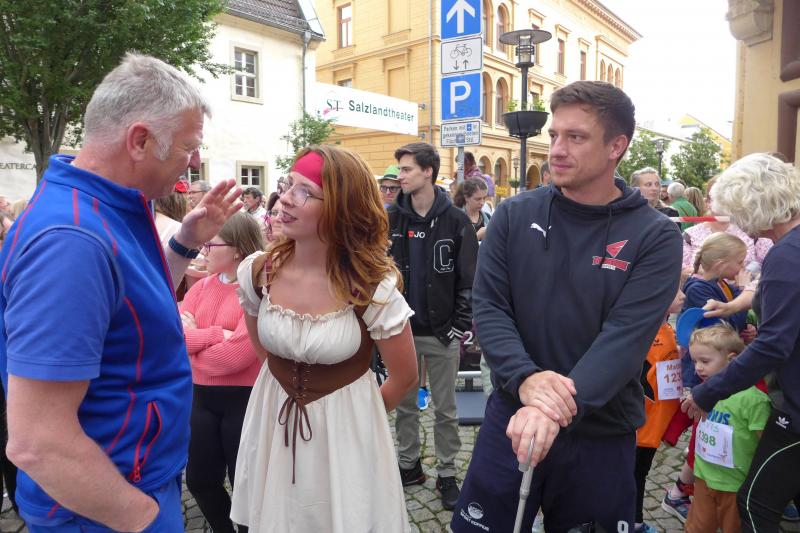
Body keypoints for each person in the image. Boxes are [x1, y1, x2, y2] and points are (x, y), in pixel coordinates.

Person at [0, 53, 242, 532]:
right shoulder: (73, 240)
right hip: (104, 507)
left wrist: (184, 243)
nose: (194, 161)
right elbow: (38, 441)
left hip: (128, 482)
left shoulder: (103, 207)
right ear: (140, 140)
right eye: (189, 147)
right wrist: (140, 517)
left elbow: (129, 307)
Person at [452, 80, 683, 533]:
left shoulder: (655, 235)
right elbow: (490, 306)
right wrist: (525, 380)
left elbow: (624, 338)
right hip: (514, 415)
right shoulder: (515, 215)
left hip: (600, 431)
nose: (556, 149)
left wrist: (547, 408)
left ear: (616, 146)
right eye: (555, 135)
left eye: (576, 137)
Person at [231, 146, 418, 532]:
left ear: (340, 207)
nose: (285, 198)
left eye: (304, 191)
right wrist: (283, 390)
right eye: (288, 184)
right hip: (274, 422)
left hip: (345, 437)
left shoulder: (372, 288)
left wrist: (355, 417)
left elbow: (405, 378)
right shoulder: (259, 272)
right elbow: (263, 350)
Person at [682, 153, 800, 531]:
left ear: (754, 204)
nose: (738, 223)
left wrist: (708, 392)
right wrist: (732, 305)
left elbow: (772, 345)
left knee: (754, 503)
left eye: (738, 212)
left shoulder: (786, 254)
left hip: (795, 407)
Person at [389, 142, 478, 511]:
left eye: (407, 169)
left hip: (442, 333)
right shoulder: (392, 218)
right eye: (400, 170)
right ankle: (408, 466)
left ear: (428, 171)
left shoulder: (456, 221)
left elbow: (469, 278)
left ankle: (446, 473)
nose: (400, 176)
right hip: (400, 333)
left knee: (446, 410)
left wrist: (458, 324)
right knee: (405, 406)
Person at [180, 212, 263, 533]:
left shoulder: (256, 290)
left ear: (237, 249)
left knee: (244, 483)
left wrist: (194, 340)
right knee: (199, 480)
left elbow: (235, 357)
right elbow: (174, 337)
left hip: (243, 399)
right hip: (201, 398)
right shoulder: (202, 287)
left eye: (211, 244)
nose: (203, 249)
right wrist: (216, 334)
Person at [684, 324, 771, 533]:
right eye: (695, 361)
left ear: (731, 360)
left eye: (705, 361)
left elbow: (765, 444)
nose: (698, 368)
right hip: (704, 478)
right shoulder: (701, 393)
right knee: (697, 528)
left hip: (735, 485)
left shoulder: (753, 400)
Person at [634, 280, 685, 533]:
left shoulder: (665, 327)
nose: (683, 295)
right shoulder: (642, 332)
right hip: (641, 425)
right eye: (676, 291)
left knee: (640, 471)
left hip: (657, 421)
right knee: (636, 473)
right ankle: (633, 522)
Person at [681, 175, 772, 273]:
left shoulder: (754, 232)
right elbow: (681, 270)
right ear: (708, 202)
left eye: (731, 198)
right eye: (720, 199)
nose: (726, 204)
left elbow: (770, 265)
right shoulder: (689, 236)